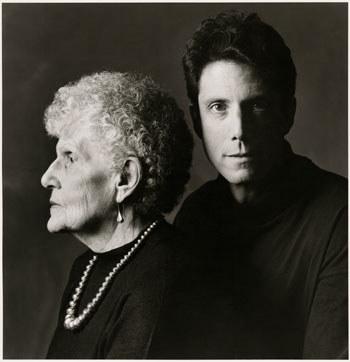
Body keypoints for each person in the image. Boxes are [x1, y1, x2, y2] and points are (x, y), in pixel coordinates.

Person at [172, 9, 347, 359]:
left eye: (258, 106)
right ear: (196, 119)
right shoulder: (196, 214)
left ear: (288, 113)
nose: (239, 130)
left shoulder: (341, 217)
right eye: (218, 107)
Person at [40, 71, 193, 358]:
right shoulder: (85, 268)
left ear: (124, 179)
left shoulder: (165, 278)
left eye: (69, 158)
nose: (47, 177)